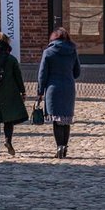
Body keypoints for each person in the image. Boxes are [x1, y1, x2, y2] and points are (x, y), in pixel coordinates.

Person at [36, 27, 81, 158]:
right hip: (68, 87)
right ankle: (64, 147)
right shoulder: (72, 51)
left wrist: (40, 91)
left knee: (56, 120)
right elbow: (77, 72)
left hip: (53, 88)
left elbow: (42, 74)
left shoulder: (48, 52)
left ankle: (59, 147)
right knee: (66, 119)